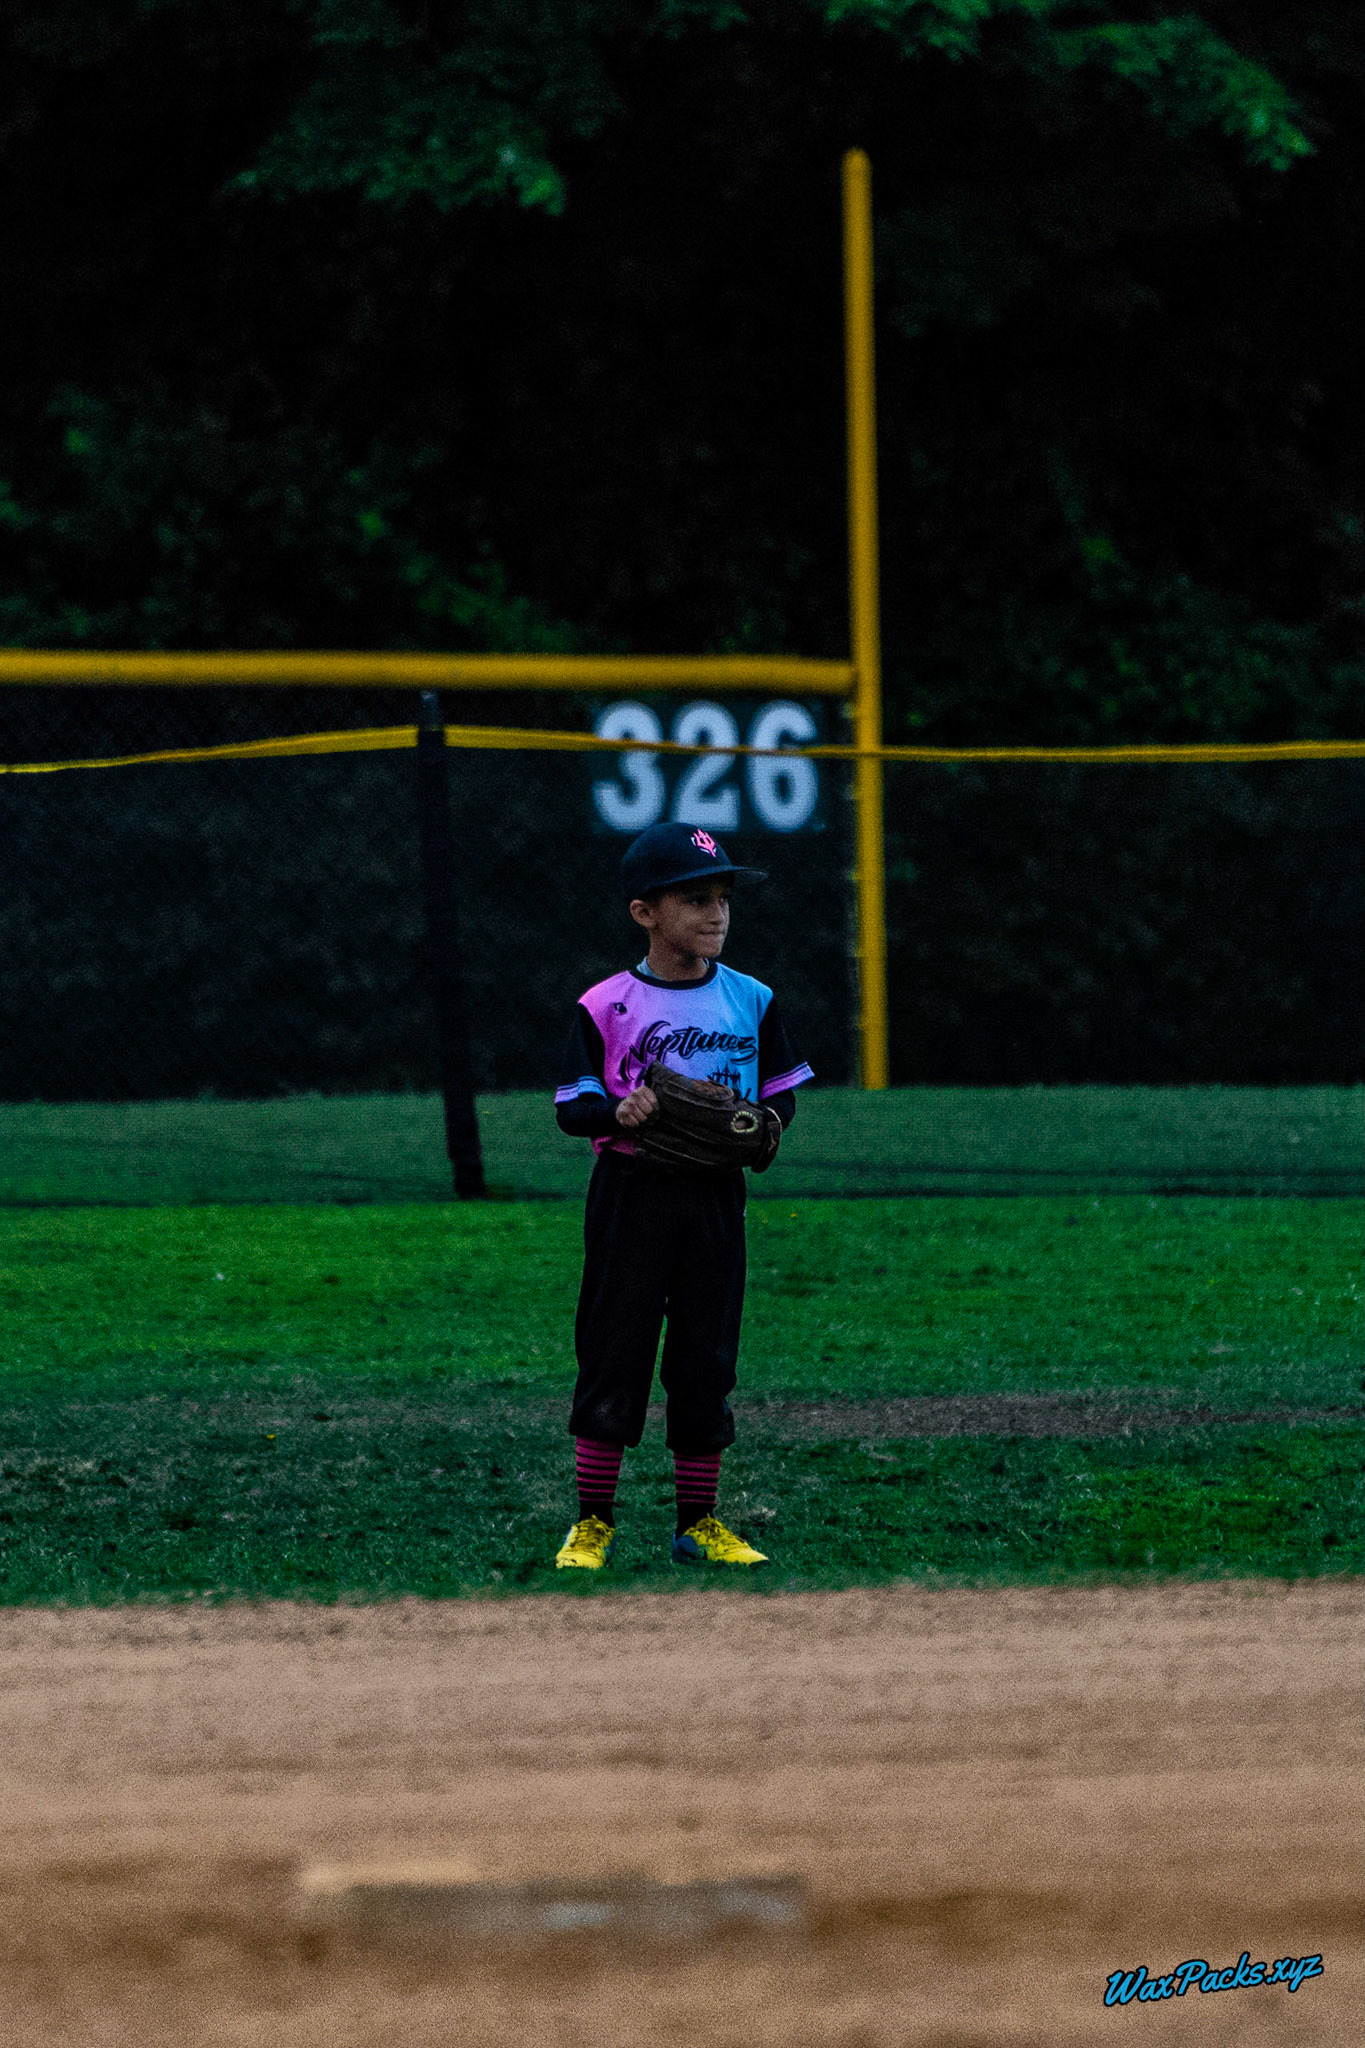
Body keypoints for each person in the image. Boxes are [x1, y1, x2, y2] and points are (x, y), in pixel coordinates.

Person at [551, 819, 813, 1570]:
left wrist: (764, 1127)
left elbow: (778, 1095)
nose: (716, 914)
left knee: (706, 1355)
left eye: (723, 898)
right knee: (613, 1349)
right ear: (644, 912)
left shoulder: (752, 999)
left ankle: (698, 1524)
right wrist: (617, 1111)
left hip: (712, 1198)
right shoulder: (606, 1003)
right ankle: (592, 1524)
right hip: (632, 1191)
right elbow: (573, 1109)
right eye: (694, 899)